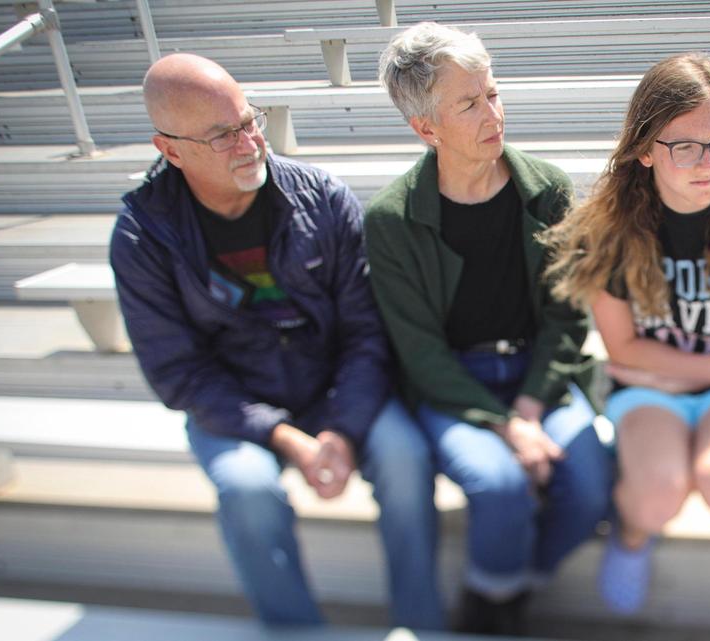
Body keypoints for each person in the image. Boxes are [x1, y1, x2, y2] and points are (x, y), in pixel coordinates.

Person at [109, 53, 444, 629]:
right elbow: (178, 373)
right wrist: (287, 439)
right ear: (170, 150)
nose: (249, 143)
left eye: (249, 121)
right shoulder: (144, 236)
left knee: (405, 456)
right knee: (245, 488)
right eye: (222, 136)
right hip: (236, 404)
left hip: (335, 390)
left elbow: (367, 332)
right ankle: (296, 631)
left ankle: (420, 624)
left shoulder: (321, 196)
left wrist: (340, 430)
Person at [542, 52, 710, 617]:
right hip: (653, 393)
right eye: (685, 146)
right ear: (645, 149)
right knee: (655, 495)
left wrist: (668, 368)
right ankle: (634, 536)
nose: (709, 162)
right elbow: (623, 351)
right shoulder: (612, 227)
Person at [366, 22, 612, 635]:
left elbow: (567, 312)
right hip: (455, 386)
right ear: (426, 128)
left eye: (494, 93)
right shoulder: (391, 219)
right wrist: (504, 426)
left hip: (540, 373)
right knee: (499, 484)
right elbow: (419, 353)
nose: (493, 113)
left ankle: (503, 585)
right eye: (470, 103)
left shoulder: (548, 189)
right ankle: (493, 613)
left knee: (589, 486)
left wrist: (528, 410)